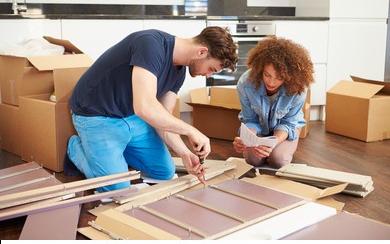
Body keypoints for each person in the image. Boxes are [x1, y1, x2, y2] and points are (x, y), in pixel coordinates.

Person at [64, 27, 239, 192]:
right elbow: (145, 107)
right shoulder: (150, 44)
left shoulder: (180, 73)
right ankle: (76, 148)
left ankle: (115, 152)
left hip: (131, 115)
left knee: (164, 172)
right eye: (211, 69)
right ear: (202, 52)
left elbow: (163, 117)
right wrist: (190, 130)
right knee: (117, 189)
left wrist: (185, 153)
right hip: (96, 115)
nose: (208, 75)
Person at [233, 36, 314, 169]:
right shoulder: (245, 83)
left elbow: (288, 123)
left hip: (285, 129)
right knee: (254, 160)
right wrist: (246, 140)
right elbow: (250, 119)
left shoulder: (298, 88)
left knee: (278, 160)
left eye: (279, 78)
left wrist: (272, 143)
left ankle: (276, 151)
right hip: (259, 126)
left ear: (289, 77)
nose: (271, 83)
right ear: (260, 69)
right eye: (267, 75)